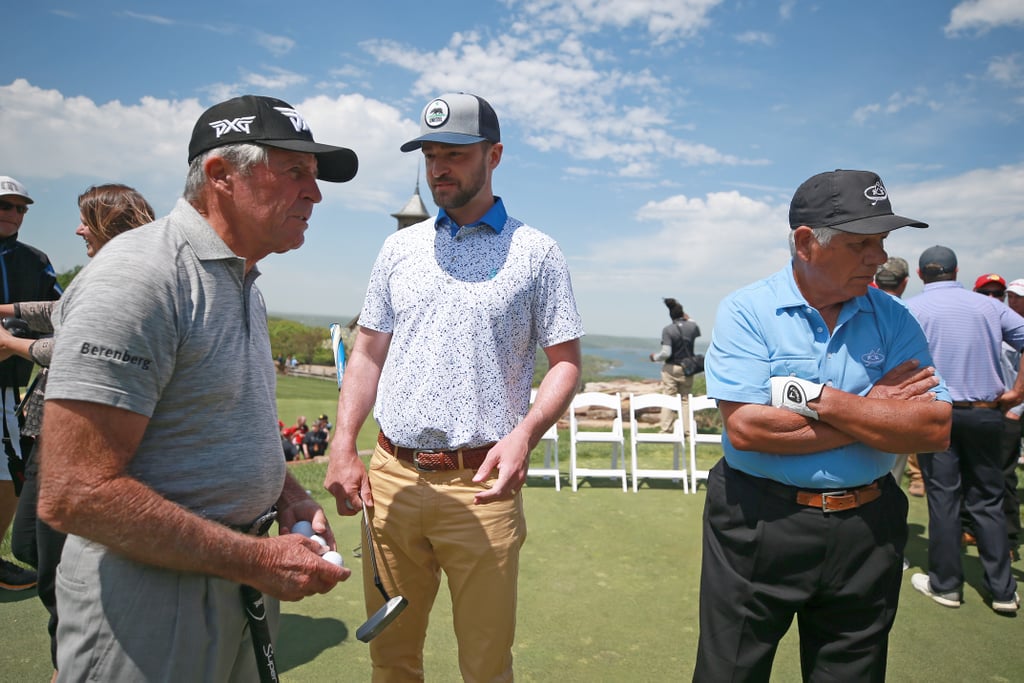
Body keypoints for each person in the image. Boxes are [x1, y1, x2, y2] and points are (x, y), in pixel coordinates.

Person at [37, 94, 357, 680]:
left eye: (313, 176)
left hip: (232, 583)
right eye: (294, 172)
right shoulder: (141, 275)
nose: (314, 194)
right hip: (148, 603)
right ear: (219, 176)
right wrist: (255, 558)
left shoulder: (244, 281)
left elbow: (224, 421)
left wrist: (288, 498)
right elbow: (75, 492)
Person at [324, 92, 583, 681]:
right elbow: (367, 350)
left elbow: (565, 363)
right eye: (431, 155)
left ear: (494, 155)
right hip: (390, 477)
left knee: (486, 666)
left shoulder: (537, 253)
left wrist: (525, 435)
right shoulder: (399, 248)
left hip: (482, 484)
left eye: (455, 155)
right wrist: (344, 441)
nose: (439, 167)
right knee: (391, 661)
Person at [693, 169, 951, 682]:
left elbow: (933, 426)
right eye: (861, 243)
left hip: (868, 528)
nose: (878, 257)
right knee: (730, 671)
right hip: (758, 520)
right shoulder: (748, 311)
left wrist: (823, 401)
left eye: (881, 242)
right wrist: (875, 409)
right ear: (807, 243)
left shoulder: (895, 316)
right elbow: (747, 428)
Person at [3, 183, 154, 674]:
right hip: (51, 429)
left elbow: (76, 343)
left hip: (81, 434)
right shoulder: (104, 273)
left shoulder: (129, 279)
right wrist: (7, 312)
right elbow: (61, 312)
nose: (77, 229)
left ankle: (73, 661)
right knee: (31, 546)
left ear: (111, 225)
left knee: (58, 566)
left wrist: (12, 344)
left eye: (86, 220)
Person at [907, 250, 1024, 614]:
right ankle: (1003, 591)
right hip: (986, 412)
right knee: (987, 498)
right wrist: (1019, 392)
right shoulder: (989, 306)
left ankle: (946, 585)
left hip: (935, 414)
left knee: (944, 498)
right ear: (957, 271)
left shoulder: (912, 309)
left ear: (920, 274)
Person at [0, 175, 62, 592]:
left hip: (6, 382)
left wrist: (14, 342)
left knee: (8, 473)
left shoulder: (35, 259)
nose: (14, 214)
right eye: (6, 205)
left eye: (21, 208)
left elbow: (60, 315)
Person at [874, 256, 926, 497]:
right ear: (904, 282)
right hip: (899, 409)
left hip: (860, 408)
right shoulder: (907, 313)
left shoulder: (859, 308)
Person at [648, 297, 700, 436]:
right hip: (687, 368)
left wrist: (654, 358)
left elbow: (666, 352)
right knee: (685, 399)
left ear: (670, 315)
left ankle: (666, 429)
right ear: (683, 314)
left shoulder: (668, 330)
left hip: (671, 367)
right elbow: (694, 324)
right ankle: (687, 431)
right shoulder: (692, 327)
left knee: (668, 398)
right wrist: (688, 318)